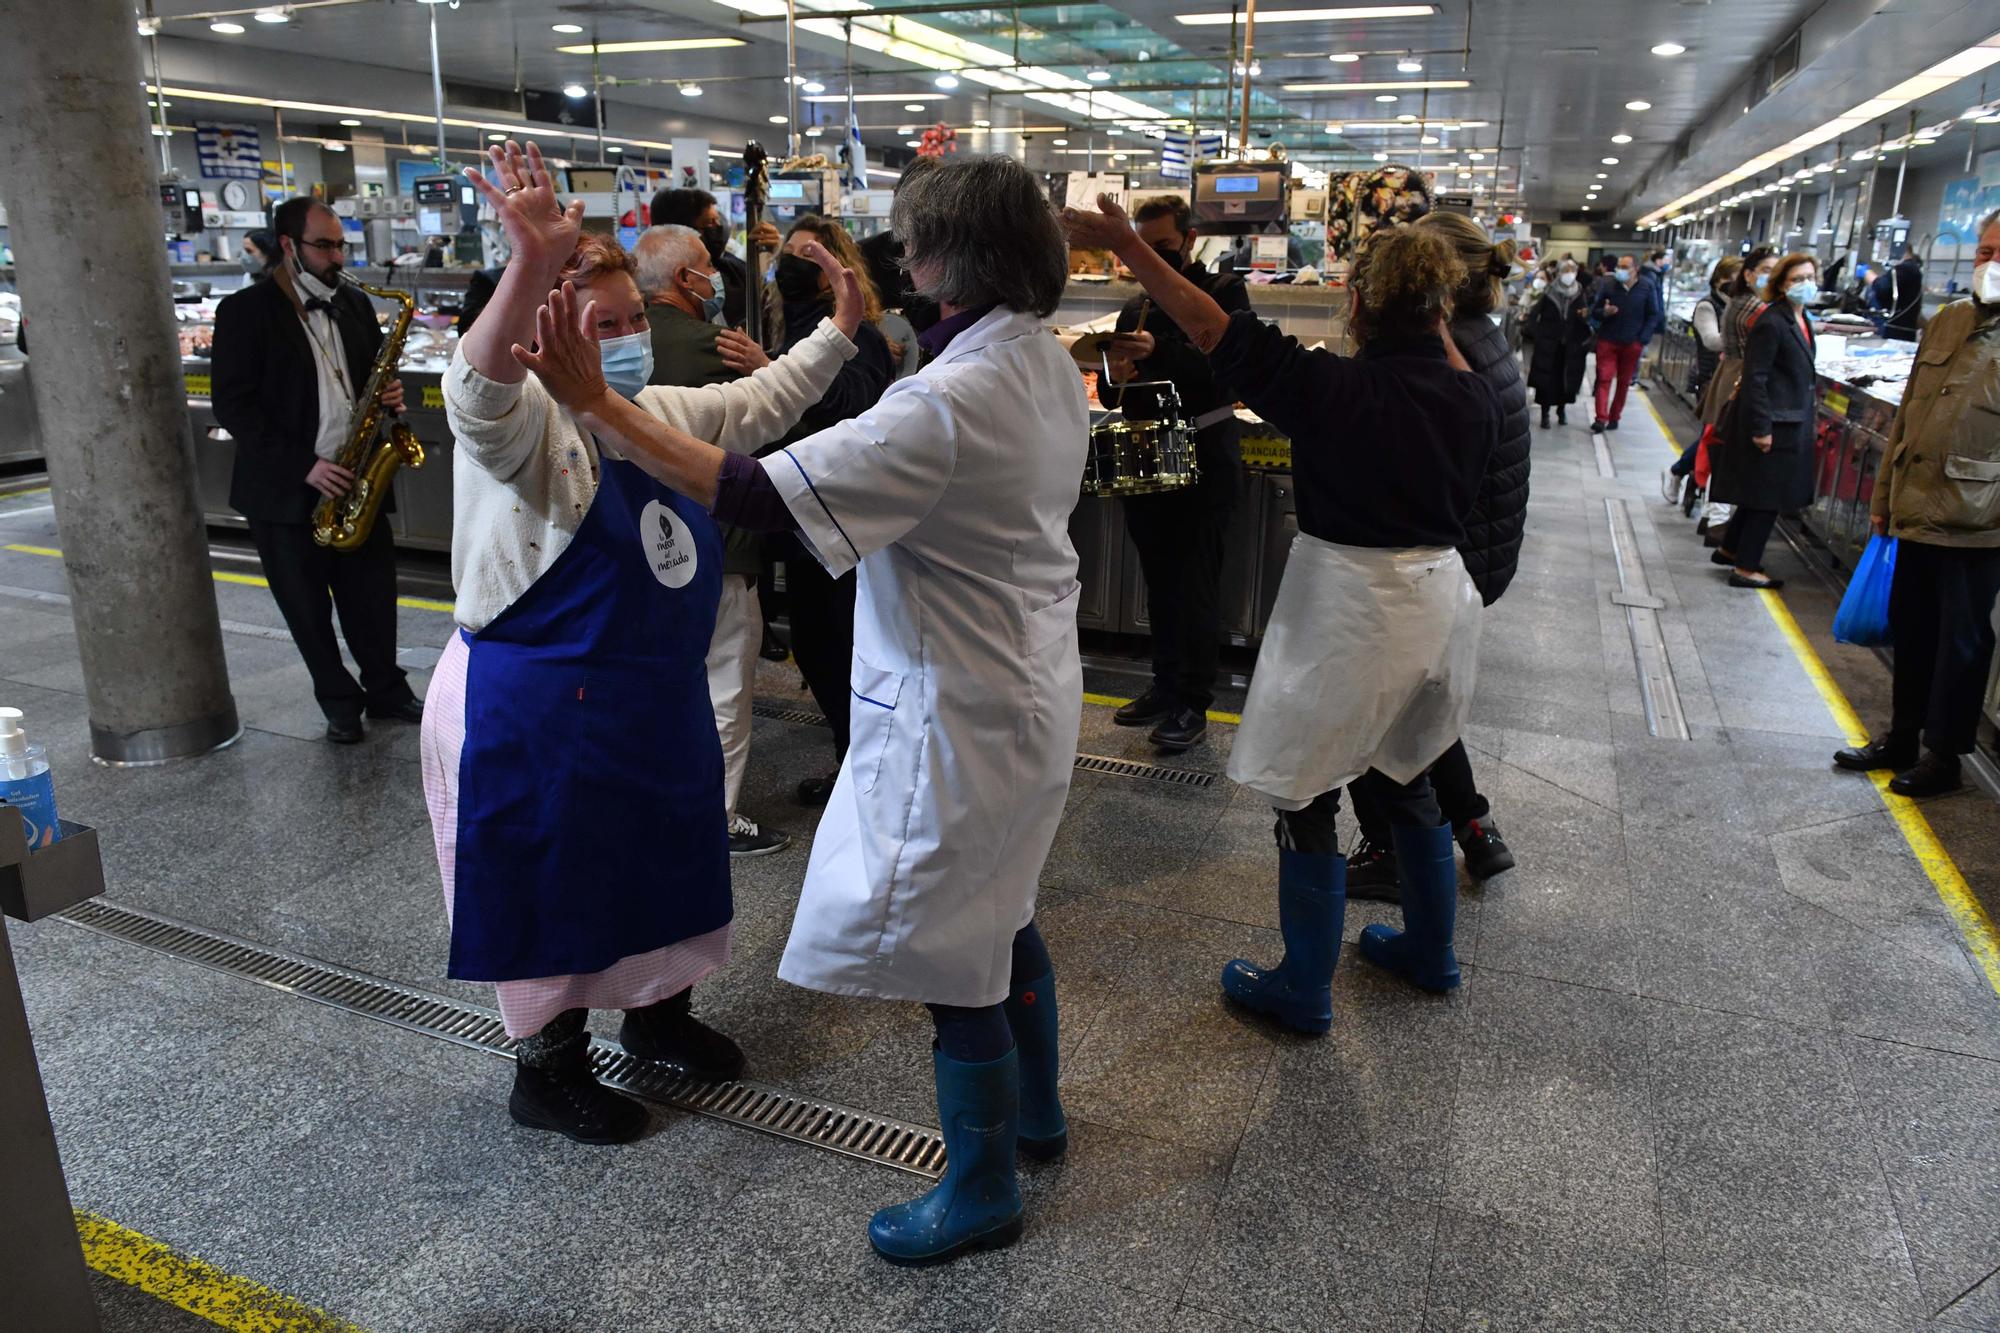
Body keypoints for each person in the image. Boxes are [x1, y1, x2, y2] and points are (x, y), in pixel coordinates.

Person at [521, 154, 1085, 1266]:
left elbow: (752, 492)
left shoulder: (944, 399)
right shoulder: (1036, 359)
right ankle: (1037, 1119)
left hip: (959, 714)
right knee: (1003, 911)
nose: (898, 249)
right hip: (1020, 688)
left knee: (951, 958)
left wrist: (596, 405)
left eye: (908, 236)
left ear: (939, 258)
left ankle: (980, 1192)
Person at [425, 141, 863, 1145]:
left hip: (647, 695)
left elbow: (761, 404)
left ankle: (659, 1016)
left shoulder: (652, 410)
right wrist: (532, 261)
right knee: (557, 880)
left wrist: (839, 331)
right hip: (537, 701)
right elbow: (474, 388)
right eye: (600, 323)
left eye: (630, 322)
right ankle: (549, 1066)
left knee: (664, 857)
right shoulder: (521, 426)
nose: (622, 339)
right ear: (550, 328)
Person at [1062, 201, 1496, 1040]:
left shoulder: (1330, 388)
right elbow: (1430, 350)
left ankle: (1304, 984)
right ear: (1443, 311)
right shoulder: (1473, 397)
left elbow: (1212, 324)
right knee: (1410, 778)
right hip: (1442, 603)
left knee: (1304, 795)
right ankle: (1431, 951)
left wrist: (1125, 246)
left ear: (1357, 306)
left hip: (1351, 607)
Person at [1344, 210, 1526, 901]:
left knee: (1383, 712)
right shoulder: (1484, 341)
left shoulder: (1447, 356)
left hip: (1441, 557)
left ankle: (1393, 846)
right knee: (1424, 701)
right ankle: (1475, 827)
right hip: (1477, 547)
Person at [210, 197, 422, 745]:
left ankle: (386, 689)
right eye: (324, 246)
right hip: (285, 489)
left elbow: (374, 378)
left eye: (340, 245)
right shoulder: (245, 311)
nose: (337, 256)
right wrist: (306, 467)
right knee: (307, 608)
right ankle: (338, 701)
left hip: (356, 475)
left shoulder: (351, 304)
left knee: (373, 597)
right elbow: (234, 406)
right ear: (288, 246)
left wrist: (391, 400)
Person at [632, 223, 792, 857]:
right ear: (684, 279)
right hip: (716, 545)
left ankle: (652, 801)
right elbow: (781, 429)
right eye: (706, 267)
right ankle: (715, 819)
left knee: (656, 685)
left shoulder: (601, 342)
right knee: (723, 683)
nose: (714, 278)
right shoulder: (719, 347)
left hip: (634, 547)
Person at [1836, 210, 2000, 797]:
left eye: (1999, 254)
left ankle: (1944, 756)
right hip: (1916, 509)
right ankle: (1901, 736)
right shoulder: (1950, 320)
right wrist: (1884, 496)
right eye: (1983, 253)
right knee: (1913, 629)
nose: (1990, 265)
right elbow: (1908, 414)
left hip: (1978, 521)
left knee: (1961, 642)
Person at [1101, 195, 1249, 752]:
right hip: (1144, 450)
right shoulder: (1133, 306)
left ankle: (1193, 700)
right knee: (1159, 580)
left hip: (1203, 451)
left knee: (1196, 585)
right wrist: (1115, 369)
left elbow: (1227, 378)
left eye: (1160, 247)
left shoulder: (1223, 295)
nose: (1149, 257)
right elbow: (1117, 393)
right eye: (1139, 246)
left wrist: (1162, 348)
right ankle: (1164, 686)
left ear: (1188, 239)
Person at [761, 214, 897, 805]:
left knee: (837, 645)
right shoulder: (775, 324)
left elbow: (857, 402)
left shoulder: (860, 334)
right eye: (789, 254)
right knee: (814, 644)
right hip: (793, 509)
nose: (794, 265)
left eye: (809, 254)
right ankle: (850, 763)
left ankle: (860, 770)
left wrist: (775, 375)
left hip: (838, 511)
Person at [1708, 251, 1820, 589]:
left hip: (1789, 419)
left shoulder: (1802, 319)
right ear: (1782, 285)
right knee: (1767, 497)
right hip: (1774, 422)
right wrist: (1761, 427)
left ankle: (1730, 548)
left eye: (1810, 278)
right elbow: (1755, 377)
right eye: (1797, 279)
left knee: (1758, 492)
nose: (1805, 285)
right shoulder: (1772, 321)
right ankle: (1746, 567)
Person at [1694, 247, 1776, 536]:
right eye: (1766, 271)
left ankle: (1711, 515)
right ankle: (1718, 519)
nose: (1772, 277)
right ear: (1749, 275)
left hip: (1729, 377)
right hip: (1737, 382)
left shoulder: (1740, 301)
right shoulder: (1753, 307)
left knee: (1720, 448)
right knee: (1729, 453)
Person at [1663, 256, 1741, 502]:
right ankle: (1679, 472)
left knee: (1722, 438)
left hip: (1738, 380)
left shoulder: (1744, 306)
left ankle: (1697, 485)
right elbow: (1710, 340)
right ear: (1720, 279)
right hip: (1712, 380)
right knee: (1713, 435)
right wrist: (1747, 332)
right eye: (1735, 277)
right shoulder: (1708, 306)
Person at [650, 187, 780, 332]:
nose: (719, 228)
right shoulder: (650, 292)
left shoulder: (735, 272)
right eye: (710, 223)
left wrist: (776, 254)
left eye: (718, 220)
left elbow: (773, 308)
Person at [1588, 254, 1662, 433]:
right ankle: (1601, 418)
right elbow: (1595, 311)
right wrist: (1604, 312)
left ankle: (1615, 416)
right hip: (1608, 340)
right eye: (1619, 266)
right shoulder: (1609, 285)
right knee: (1604, 378)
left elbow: (1654, 314)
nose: (1620, 270)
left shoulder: (1646, 287)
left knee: (1623, 382)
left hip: (1632, 343)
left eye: (1624, 267)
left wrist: (1642, 339)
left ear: (1635, 269)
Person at [1525, 256, 1591, 429]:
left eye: (1571, 272)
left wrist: (1584, 319)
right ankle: (1545, 414)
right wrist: (1538, 336)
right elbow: (1534, 316)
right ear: (1559, 273)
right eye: (1565, 271)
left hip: (1569, 347)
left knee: (1565, 381)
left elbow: (1585, 318)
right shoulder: (1549, 293)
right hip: (1549, 346)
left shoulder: (1580, 293)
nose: (1568, 275)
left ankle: (1561, 411)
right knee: (1546, 381)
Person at [1869, 245, 1925, 341]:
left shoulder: (1906, 268)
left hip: (1896, 331)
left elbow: (1882, 288)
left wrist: (1867, 273)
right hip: (1900, 329)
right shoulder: (1911, 269)